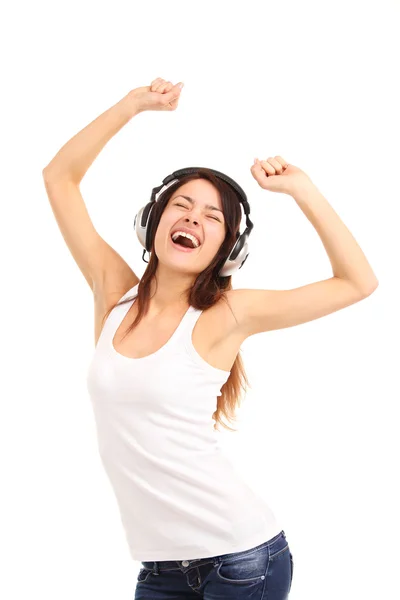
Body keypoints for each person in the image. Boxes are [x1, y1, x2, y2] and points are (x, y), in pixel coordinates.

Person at [42, 77, 378, 599]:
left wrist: (302, 189)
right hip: (160, 569)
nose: (192, 218)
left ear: (226, 250)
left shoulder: (225, 315)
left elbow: (358, 283)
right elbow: (59, 177)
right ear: (153, 221)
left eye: (211, 216)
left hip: (243, 560)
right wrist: (131, 105)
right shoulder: (114, 296)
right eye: (181, 205)